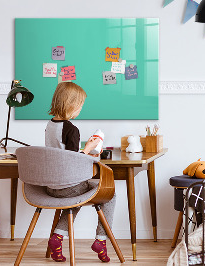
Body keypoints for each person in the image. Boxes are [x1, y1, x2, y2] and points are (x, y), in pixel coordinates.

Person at [45, 82, 115, 263]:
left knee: (75, 197)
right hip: (68, 186)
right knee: (110, 194)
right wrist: (90, 148)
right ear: (71, 105)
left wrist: (84, 150)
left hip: (51, 186)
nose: (80, 109)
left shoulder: (50, 125)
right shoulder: (71, 129)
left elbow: (62, 155)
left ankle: (57, 238)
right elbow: (73, 161)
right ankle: (101, 240)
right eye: (80, 105)